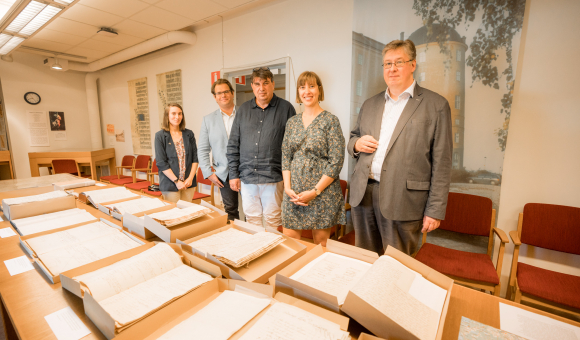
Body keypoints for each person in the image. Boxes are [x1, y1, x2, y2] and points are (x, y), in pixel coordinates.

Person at [348, 39, 452, 255]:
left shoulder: (436, 105)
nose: (392, 69)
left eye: (399, 62)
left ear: (413, 65)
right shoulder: (370, 104)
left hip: (404, 199)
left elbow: (442, 163)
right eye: (387, 64)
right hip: (364, 194)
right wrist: (356, 144)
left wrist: (434, 210)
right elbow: (353, 139)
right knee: (365, 260)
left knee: (396, 267)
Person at [281, 71, 345, 246]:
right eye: (302, 87)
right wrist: (287, 188)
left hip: (321, 194)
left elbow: (336, 161)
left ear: (319, 90)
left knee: (320, 244)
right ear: (298, 92)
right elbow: (286, 156)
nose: (307, 91)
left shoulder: (330, 121)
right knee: (290, 242)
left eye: (311, 86)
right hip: (293, 194)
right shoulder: (292, 122)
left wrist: (314, 192)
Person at [227, 67, 296, 228]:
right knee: (252, 221)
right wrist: (233, 174)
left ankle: (274, 252)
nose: (261, 88)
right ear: (252, 86)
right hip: (247, 177)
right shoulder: (243, 110)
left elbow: (293, 147)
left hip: (274, 177)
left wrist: (289, 180)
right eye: (257, 84)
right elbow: (233, 145)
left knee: (273, 221)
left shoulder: (286, 109)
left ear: (272, 84)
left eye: (265, 83)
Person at [198, 79, 240, 221]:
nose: (223, 95)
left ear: (232, 93)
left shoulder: (245, 113)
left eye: (226, 91)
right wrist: (208, 173)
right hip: (224, 173)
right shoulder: (208, 120)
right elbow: (203, 149)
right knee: (230, 209)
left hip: (246, 170)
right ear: (215, 97)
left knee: (251, 209)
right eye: (219, 93)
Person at [154, 103, 199, 203]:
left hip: (188, 183)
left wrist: (190, 178)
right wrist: (176, 181)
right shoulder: (160, 136)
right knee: (175, 214)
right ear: (167, 116)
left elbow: (195, 158)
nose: (177, 117)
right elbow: (161, 163)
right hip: (170, 184)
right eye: (173, 113)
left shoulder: (189, 134)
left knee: (187, 213)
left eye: (180, 114)